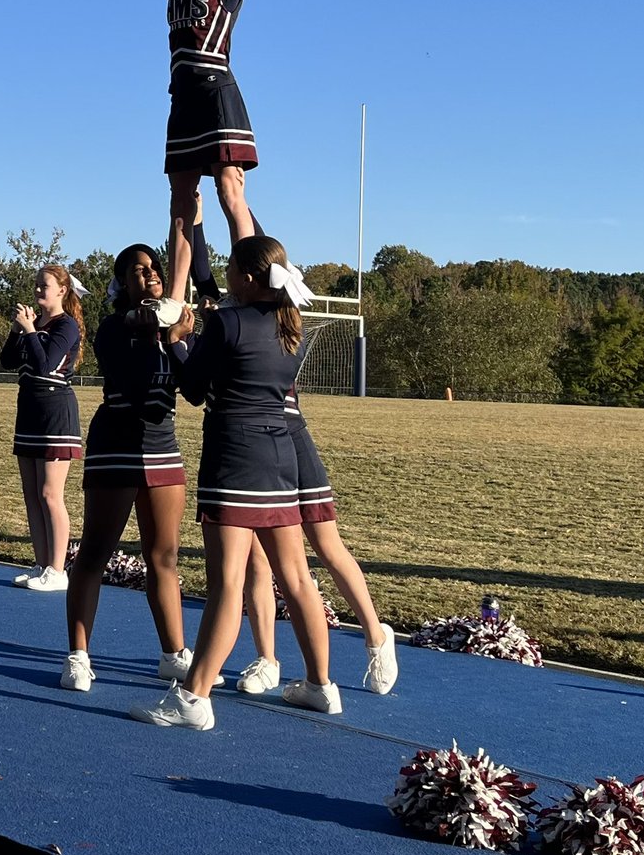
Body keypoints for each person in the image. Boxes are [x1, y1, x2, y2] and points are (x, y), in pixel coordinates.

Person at [130, 234, 341, 731]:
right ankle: (319, 685)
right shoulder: (294, 327)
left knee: (228, 583)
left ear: (246, 277)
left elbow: (195, 390)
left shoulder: (227, 321)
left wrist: (178, 341)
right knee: (296, 577)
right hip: (279, 455)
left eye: (230, 270)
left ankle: (193, 697)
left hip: (235, 457)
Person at [81, 0, 279, 315]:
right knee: (180, 201)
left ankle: (246, 282)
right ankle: (174, 296)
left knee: (230, 189)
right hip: (182, 100)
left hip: (217, 94)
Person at [62, 239, 200, 693]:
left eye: (154, 266)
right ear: (121, 283)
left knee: (164, 557)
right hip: (116, 445)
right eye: (138, 270)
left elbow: (196, 390)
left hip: (162, 447)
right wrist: (154, 335)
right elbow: (137, 383)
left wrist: (178, 340)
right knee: (95, 553)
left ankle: (173, 655)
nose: (150, 273)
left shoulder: (176, 324)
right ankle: (79, 656)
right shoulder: (110, 329)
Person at [237, 385, 398, 698]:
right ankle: (267, 658)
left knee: (327, 544)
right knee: (256, 557)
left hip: (291, 436)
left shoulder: (277, 336)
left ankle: (377, 637)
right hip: (250, 443)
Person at [0, 266, 85, 592]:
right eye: (35, 285)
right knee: (32, 494)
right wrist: (17, 330)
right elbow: (8, 361)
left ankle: (57, 568)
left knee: (50, 494)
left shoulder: (67, 326)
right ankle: (41, 564)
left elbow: (46, 363)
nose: (38, 290)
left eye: (44, 285)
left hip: (55, 414)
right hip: (29, 412)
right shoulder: (33, 325)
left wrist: (31, 331)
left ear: (62, 290)